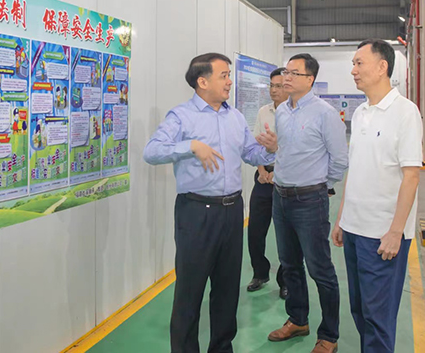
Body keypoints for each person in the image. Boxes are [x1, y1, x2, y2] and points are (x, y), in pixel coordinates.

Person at [143, 53, 278, 353]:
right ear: (202, 82)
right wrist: (190, 146)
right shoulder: (181, 116)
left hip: (232, 212)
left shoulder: (235, 117)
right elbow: (151, 151)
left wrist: (270, 151)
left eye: (229, 75)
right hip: (196, 213)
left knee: (227, 290)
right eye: (223, 75)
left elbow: (250, 153)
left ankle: (222, 348)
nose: (230, 81)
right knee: (189, 292)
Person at [331, 39, 422, 352]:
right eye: (353, 64)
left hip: (382, 235)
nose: (353, 70)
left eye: (359, 63)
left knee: (378, 316)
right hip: (354, 229)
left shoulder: (405, 112)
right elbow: (355, 170)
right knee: (360, 310)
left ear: (382, 67)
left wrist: (396, 231)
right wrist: (342, 218)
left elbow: (411, 176)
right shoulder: (360, 113)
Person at [267, 53, 348, 353]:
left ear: (310, 79)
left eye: (294, 73)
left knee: (320, 269)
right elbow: (284, 151)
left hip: (310, 200)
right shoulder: (282, 111)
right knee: (289, 265)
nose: (286, 78)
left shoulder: (325, 114)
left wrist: (322, 187)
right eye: (285, 72)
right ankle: (298, 319)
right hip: (281, 197)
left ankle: (329, 335)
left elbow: (339, 159)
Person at [247, 67, 288, 298]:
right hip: (263, 177)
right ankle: (260, 273)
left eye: (279, 86)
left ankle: (286, 280)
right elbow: (256, 145)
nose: (274, 90)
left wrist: (278, 171)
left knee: (286, 234)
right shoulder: (264, 112)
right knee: (255, 230)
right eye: (272, 85)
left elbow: (296, 150)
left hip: (286, 180)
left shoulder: (295, 113)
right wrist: (262, 170)